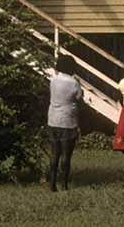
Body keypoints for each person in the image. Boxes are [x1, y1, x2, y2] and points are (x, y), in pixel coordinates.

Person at [47, 54, 84, 191]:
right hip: (68, 120)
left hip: (52, 119)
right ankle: (64, 184)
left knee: (54, 153)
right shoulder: (74, 83)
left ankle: (52, 183)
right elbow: (79, 98)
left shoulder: (53, 80)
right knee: (66, 155)